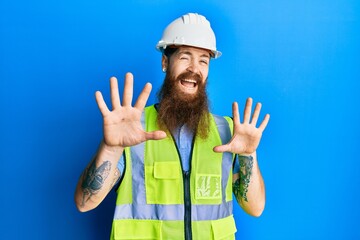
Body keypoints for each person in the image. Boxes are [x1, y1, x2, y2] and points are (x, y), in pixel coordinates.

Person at [75, 12, 270, 240]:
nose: (194, 68)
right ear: (165, 62)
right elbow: (84, 202)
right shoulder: (133, 130)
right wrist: (110, 148)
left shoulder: (227, 131)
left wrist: (249, 155)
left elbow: (255, 208)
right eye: (185, 57)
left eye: (203, 61)